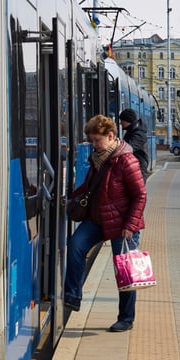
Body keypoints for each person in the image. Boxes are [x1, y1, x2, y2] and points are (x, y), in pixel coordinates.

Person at [64, 115, 146, 332]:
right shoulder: (98, 159)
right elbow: (89, 187)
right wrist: (68, 199)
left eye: (96, 140)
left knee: (125, 272)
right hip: (98, 219)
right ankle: (72, 295)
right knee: (76, 245)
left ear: (111, 136)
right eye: (91, 140)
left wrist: (131, 224)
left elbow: (140, 195)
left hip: (123, 224)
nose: (93, 145)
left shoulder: (127, 161)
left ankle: (126, 319)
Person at [118, 108, 149, 179]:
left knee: (137, 190)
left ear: (127, 121)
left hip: (138, 169)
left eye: (122, 120)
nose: (120, 123)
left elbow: (129, 147)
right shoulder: (132, 130)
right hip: (134, 167)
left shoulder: (139, 134)